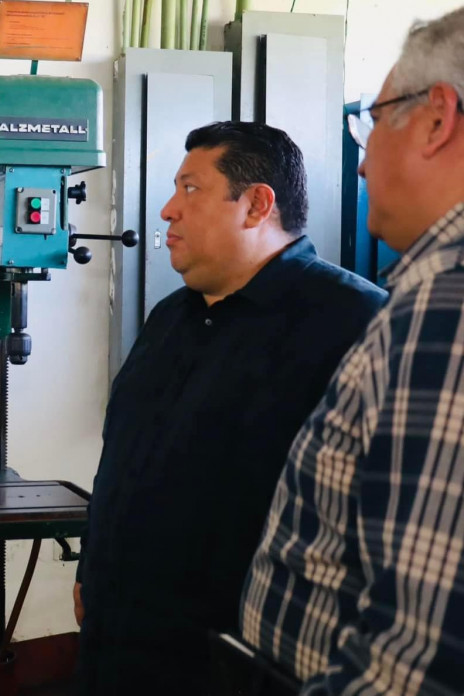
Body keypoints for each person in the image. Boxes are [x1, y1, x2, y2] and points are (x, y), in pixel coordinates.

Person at [74, 122, 386, 694]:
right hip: (118, 638)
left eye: (191, 189)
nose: (168, 210)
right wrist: (91, 567)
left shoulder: (356, 323)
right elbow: (122, 455)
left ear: (257, 205)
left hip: (237, 658)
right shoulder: (170, 317)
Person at [241, 6, 464, 694]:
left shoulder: (446, 311)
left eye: (374, 121)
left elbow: (417, 661)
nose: (361, 162)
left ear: (437, 119)